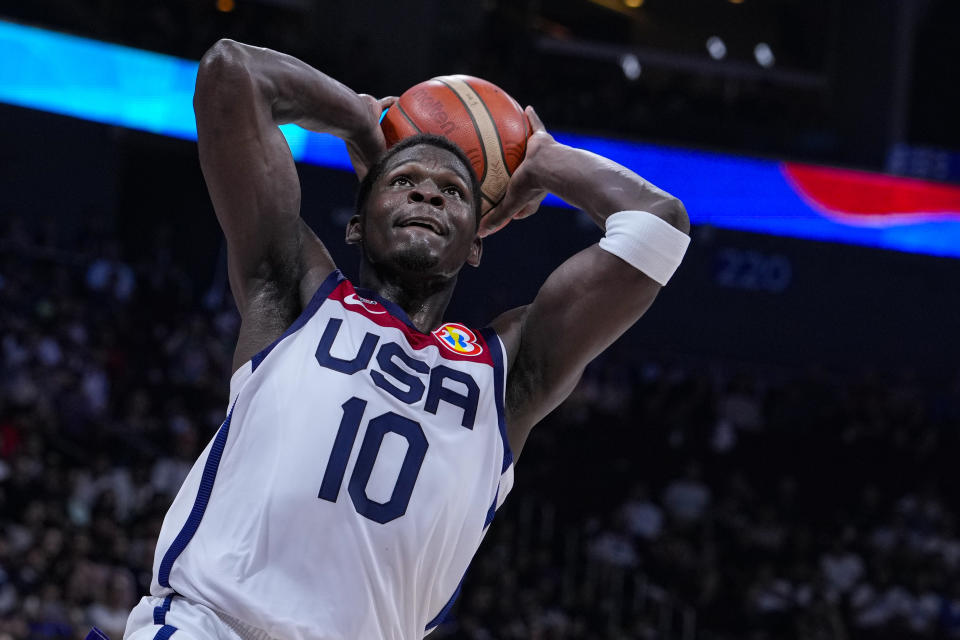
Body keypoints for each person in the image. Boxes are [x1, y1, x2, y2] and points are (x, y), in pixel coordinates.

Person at [121, 39, 690, 640]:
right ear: (358, 224)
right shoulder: (292, 292)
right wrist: (360, 121)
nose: (428, 192)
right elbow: (232, 74)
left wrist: (544, 160)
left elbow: (660, 228)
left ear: (478, 240)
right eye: (404, 181)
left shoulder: (508, 373)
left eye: (454, 192)